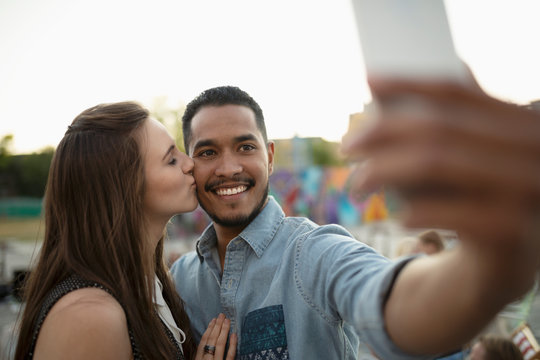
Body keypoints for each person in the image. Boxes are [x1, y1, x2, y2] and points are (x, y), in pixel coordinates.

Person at [170, 81, 540, 359]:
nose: (229, 167)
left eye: (245, 147)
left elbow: (391, 301)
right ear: (189, 165)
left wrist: (491, 263)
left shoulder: (313, 253)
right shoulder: (178, 282)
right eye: (207, 152)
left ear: (269, 157)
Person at [14, 102, 236, 359]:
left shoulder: (145, 287)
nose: (190, 164)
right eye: (171, 159)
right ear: (123, 188)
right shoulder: (89, 316)